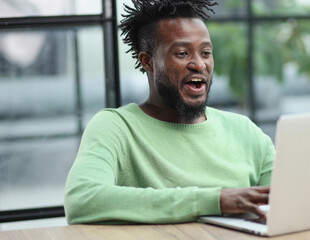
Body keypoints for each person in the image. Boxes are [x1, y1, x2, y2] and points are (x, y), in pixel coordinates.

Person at [64, 0, 275, 224]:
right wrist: (215, 201)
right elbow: (83, 200)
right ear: (148, 61)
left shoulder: (245, 131)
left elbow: (288, 201)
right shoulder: (116, 127)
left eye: (205, 52)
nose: (199, 65)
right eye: (183, 53)